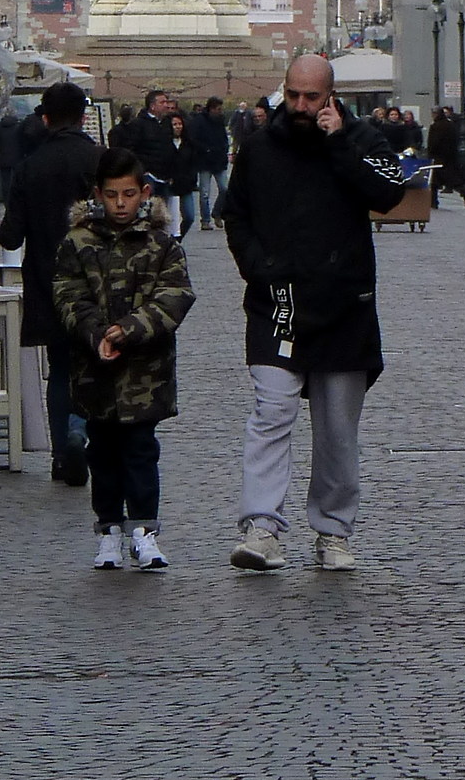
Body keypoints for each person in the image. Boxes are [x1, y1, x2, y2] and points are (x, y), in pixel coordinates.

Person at [221, 53, 409, 571]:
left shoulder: (364, 138)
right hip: (276, 302)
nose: (301, 106)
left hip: (342, 302)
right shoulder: (258, 147)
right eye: (294, 95)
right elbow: (235, 215)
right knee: (271, 412)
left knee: (336, 428)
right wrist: (257, 267)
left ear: (330, 96)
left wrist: (340, 142)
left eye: (312, 97)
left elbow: (389, 193)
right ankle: (261, 527)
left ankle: (333, 530)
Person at [50, 147, 195, 570]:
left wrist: (129, 329)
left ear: (144, 193)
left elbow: (176, 295)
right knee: (103, 455)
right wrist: (96, 331)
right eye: (112, 195)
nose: (120, 205)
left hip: (144, 374)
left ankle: (145, 531)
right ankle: (109, 530)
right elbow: (66, 292)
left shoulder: (162, 244)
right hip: (95, 370)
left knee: (141, 452)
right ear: (98, 194)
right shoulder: (77, 243)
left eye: (128, 195)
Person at [0, 81, 106, 485]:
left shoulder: (29, 166)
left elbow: (11, 235)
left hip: (48, 280)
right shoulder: (100, 160)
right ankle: (83, 432)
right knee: (96, 362)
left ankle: (63, 451)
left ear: (45, 118)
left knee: (60, 369)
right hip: (97, 281)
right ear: (83, 117)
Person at [192, 96, 232, 229]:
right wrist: (206, 150)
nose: (221, 111)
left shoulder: (220, 121)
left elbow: (224, 138)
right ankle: (205, 220)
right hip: (205, 161)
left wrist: (224, 149)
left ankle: (217, 212)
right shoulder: (199, 121)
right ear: (212, 109)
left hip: (219, 161)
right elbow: (194, 139)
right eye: (219, 109)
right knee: (204, 193)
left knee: (225, 189)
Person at [163, 109, 200, 237]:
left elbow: (193, 163)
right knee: (169, 218)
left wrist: (192, 179)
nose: (178, 127)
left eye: (179, 124)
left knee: (189, 216)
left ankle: (177, 240)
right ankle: (169, 240)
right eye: (175, 124)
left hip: (186, 184)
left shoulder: (188, 143)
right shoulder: (165, 143)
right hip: (169, 184)